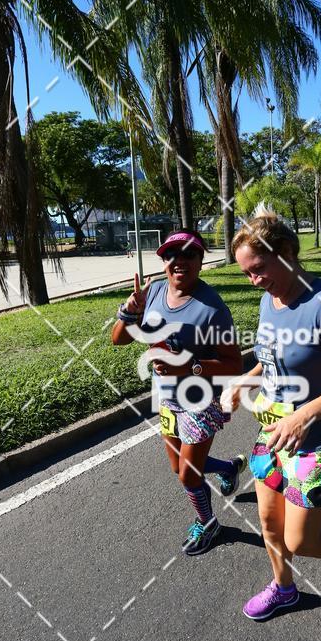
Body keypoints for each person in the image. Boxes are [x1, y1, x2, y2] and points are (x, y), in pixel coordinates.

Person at [226, 209, 321, 620]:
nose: (254, 280)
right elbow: (272, 360)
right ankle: (284, 588)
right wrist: (245, 381)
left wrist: (305, 415)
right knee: (269, 523)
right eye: (246, 273)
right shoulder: (269, 299)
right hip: (273, 433)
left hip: (317, 443)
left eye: (259, 269)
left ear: (288, 253)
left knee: (301, 541)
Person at [112, 228, 245, 554]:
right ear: (163, 261)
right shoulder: (154, 292)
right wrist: (131, 311)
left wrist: (190, 367)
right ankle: (227, 467)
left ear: (201, 260)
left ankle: (209, 524)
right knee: (179, 467)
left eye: (189, 254)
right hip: (167, 398)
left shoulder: (212, 308)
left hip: (201, 401)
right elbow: (119, 339)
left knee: (188, 475)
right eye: (171, 254)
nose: (179, 260)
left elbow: (233, 364)